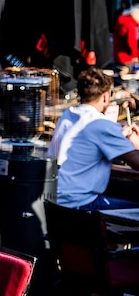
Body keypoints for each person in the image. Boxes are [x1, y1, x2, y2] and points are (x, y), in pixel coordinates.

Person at [51, 68, 139, 209]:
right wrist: (135, 143)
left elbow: (88, 138)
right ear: (105, 96)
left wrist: (119, 136)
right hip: (80, 205)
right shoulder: (102, 125)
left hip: (55, 202)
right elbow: (136, 163)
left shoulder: (68, 115)